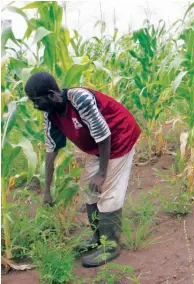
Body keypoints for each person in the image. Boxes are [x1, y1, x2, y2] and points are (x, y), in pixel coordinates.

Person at [24, 72, 141, 268]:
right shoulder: (50, 114)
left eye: (37, 101)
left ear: (52, 94)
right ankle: (97, 238)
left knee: (109, 191)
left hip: (120, 138)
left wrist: (102, 173)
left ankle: (110, 245)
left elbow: (104, 135)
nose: (36, 106)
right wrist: (46, 191)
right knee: (89, 189)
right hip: (98, 147)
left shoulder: (80, 100)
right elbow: (51, 150)